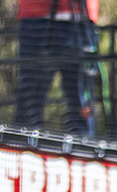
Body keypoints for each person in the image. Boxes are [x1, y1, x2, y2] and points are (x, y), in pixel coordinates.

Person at [13, 0, 97, 134]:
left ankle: (81, 147)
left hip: (80, 17)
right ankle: (23, 146)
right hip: (36, 18)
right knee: (30, 96)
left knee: (80, 96)